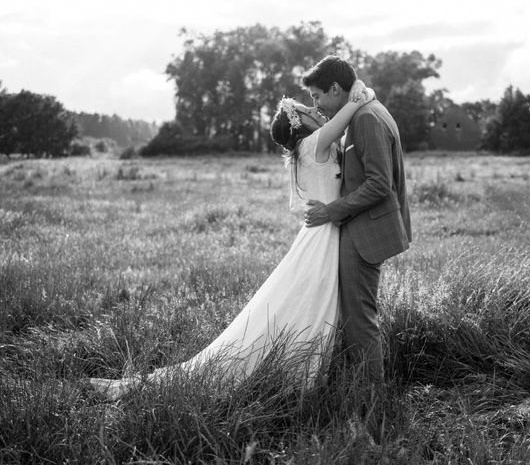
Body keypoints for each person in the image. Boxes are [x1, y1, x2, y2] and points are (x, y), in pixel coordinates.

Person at [89, 80, 374, 400]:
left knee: (305, 302)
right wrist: (362, 95)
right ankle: (295, 380)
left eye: (312, 106)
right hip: (322, 237)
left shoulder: (316, 146)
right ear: (300, 126)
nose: (314, 110)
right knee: (310, 301)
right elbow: (350, 110)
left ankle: (303, 375)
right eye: (307, 110)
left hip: (324, 232)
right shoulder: (311, 145)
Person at [302, 55, 411, 385]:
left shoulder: (366, 118)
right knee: (356, 316)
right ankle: (362, 388)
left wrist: (329, 212)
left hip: (366, 233)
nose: (318, 105)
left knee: (359, 319)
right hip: (362, 228)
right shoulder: (365, 112)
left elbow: (379, 184)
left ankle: (370, 398)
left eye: (318, 96)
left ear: (335, 88)